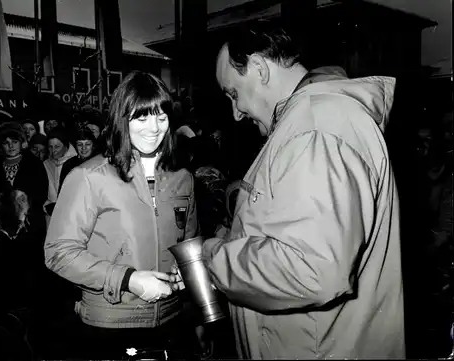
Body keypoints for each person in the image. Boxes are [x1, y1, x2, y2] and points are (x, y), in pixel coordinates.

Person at [172, 24, 404, 359]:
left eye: (234, 94)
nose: (236, 114)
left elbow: (313, 271)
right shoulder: (312, 122)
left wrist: (214, 258)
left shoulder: (315, 128)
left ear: (261, 69)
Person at [44, 71, 198, 360]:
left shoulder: (183, 177)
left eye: (161, 117)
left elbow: (189, 242)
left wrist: (188, 285)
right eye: (142, 117)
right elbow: (58, 252)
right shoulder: (89, 177)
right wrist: (128, 279)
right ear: (121, 119)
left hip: (174, 321)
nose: (154, 128)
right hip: (111, 324)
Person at [58, 128, 98, 194]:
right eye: (80, 144)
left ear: (93, 145)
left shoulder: (100, 163)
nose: (83, 148)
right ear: (75, 146)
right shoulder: (69, 164)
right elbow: (62, 192)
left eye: (87, 144)